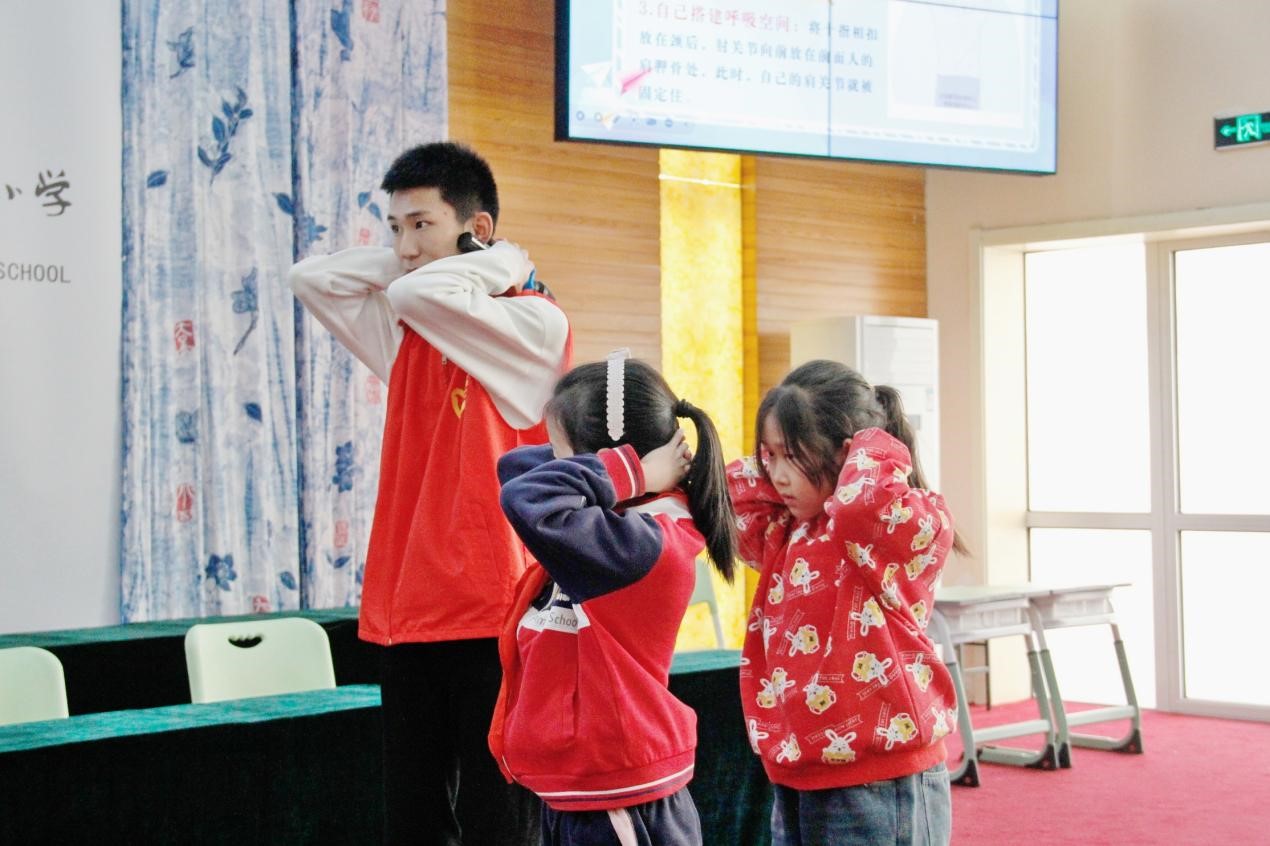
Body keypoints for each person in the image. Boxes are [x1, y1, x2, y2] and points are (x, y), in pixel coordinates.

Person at [289, 141, 569, 845]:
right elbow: (310, 278)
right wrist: (444, 255)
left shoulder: (534, 320)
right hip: (407, 607)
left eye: (421, 225)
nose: (405, 247)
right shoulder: (413, 325)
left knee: (497, 818)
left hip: (492, 605)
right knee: (412, 819)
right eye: (394, 228)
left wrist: (499, 261)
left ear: (477, 228)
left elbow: (419, 289)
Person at [488, 353, 737, 846]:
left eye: (561, 452)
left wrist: (630, 472)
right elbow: (514, 469)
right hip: (594, 785)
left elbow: (524, 496)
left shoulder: (638, 543)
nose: (551, 460)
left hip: (617, 797)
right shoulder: (618, 524)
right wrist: (628, 469)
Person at [727, 359, 964, 846]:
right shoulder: (786, 529)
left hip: (880, 779)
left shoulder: (891, 525)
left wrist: (872, 443)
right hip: (798, 773)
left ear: (850, 452)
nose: (778, 476)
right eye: (770, 456)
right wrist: (788, 456)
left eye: (794, 456)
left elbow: (861, 505)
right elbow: (732, 496)